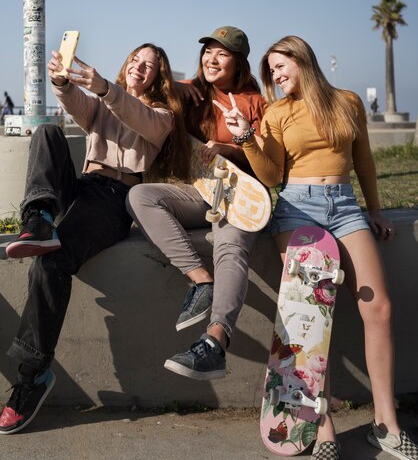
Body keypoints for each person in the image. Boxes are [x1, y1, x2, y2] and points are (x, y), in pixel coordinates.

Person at [214, 35, 418, 460]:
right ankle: (321, 424)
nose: (276, 74)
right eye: (270, 71)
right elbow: (271, 176)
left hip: (344, 207)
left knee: (377, 307)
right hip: (296, 210)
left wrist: (375, 210)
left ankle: (386, 423)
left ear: (302, 60)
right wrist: (248, 136)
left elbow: (363, 160)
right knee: (312, 315)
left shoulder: (347, 102)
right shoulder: (276, 113)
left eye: (281, 65)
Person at [0, 42, 189, 435]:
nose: (139, 67)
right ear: (127, 64)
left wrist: (106, 88)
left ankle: (31, 376)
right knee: (49, 132)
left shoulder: (161, 115)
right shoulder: (103, 103)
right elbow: (77, 105)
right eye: (135, 60)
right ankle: (38, 218)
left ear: (158, 76)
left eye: (149, 65)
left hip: (115, 199)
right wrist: (62, 83)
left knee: (52, 262)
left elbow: (137, 117)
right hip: (83, 185)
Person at [126, 26, 267, 380]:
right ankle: (201, 281)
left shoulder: (257, 103)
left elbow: (270, 159)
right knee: (140, 196)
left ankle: (215, 343)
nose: (211, 58)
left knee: (231, 246)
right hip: (199, 194)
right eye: (208, 52)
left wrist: (231, 147)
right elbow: (159, 91)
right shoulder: (193, 93)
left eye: (222, 54)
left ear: (239, 63)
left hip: (240, 196)